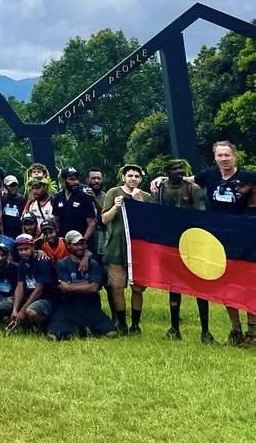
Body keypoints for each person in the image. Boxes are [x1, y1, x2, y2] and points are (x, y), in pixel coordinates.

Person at [153, 141, 256, 347]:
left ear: (235, 156)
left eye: (227, 155)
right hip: (218, 238)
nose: (224, 159)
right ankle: (235, 330)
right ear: (215, 158)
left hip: (245, 236)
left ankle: (253, 331)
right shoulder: (210, 176)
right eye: (220, 155)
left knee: (247, 282)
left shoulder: (249, 178)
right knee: (226, 283)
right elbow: (185, 179)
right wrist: (162, 178)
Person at [154, 158, 213, 343]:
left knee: (199, 287)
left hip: (193, 243)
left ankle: (205, 331)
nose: (179, 172)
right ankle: (174, 328)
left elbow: (201, 216)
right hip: (171, 244)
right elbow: (156, 211)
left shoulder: (193, 189)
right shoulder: (162, 188)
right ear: (167, 172)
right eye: (174, 169)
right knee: (174, 286)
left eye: (181, 169)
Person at [101, 164, 152, 335]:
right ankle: (121, 322)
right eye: (130, 175)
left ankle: (136, 325)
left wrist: (139, 203)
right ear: (124, 177)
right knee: (117, 287)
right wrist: (115, 207)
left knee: (137, 288)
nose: (133, 179)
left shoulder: (146, 196)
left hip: (139, 249)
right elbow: (104, 220)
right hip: (116, 248)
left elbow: (151, 222)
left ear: (141, 179)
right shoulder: (113, 193)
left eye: (137, 176)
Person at [47, 231, 117, 341]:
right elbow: (65, 289)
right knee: (53, 337)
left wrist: (70, 287)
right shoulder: (62, 264)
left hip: (90, 307)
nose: (80, 247)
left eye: (83, 244)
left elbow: (93, 287)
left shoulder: (93, 264)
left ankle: (83, 329)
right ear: (68, 245)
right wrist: (87, 284)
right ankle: (78, 329)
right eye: (76, 244)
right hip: (69, 307)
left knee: (111, 333)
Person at [11, 234, 53, 330]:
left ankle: (41, 328)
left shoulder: (42, 262)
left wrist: (22, 310)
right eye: (20, 250)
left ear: (33, 247)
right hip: (28, 297)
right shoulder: (22, 262)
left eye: (26, 249)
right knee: (6, 305)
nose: (23, 252)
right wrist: (15, 309)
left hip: (45, 298)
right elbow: (20, 286)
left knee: (30, 311)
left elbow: (39, 291)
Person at [51, 167, 97, 243]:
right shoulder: (57, 197)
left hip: (83, 243)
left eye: (76, 179)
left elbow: (92, 223)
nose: (76, 182)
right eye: (72, 179)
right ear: (63, 180)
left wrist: (83, 241)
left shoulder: (85, 195)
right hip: (65, 243)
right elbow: (56, 220)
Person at [0, 175, 25, 239]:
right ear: (5, 186)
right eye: (10, 186)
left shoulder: (23, 200)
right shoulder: (1, 199)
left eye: (14, 185)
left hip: (18, 234)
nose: (13, 187)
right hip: (4, 234)